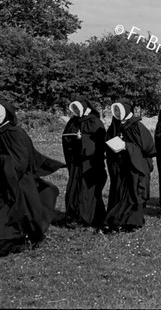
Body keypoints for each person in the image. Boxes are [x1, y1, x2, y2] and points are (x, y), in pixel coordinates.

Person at [1, 100, 65, 256]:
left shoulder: (15, 133)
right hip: (4, 180)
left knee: (21, 211)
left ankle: (19, 237)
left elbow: (21, 161)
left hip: (18, 181)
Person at [104, 99, 156, 232]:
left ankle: (131, 221)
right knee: (118, 191)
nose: (117, 113)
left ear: (126, 110)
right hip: (120, 165)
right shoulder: (115, 126)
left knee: (131, 192)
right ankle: (116, 218)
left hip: (134, 167)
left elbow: (147, 149)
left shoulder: (136, 126)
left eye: (119, 110)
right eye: (115, 110)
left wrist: (126, 146)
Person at [62, 97, 107, 227]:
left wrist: (83, 139)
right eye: (73, 109)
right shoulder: (73, 121)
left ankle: (89, 217)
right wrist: (73, 140)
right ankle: (73, 215)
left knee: (87, 190)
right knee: (74, 188)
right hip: (76, 162)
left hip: (90, 163)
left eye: (77, 108)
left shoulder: (95, 122)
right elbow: (66, 138)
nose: (75, 111)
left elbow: (100, 142)